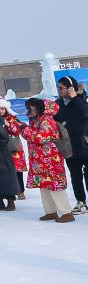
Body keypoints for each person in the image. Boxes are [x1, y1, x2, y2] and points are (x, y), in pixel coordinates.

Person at [18, 98, 76, 223]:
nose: (28, 110)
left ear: (36, 107)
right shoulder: (36, 119)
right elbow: (33, 135)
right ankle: (51, 211)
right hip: (40, 159)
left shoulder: (46, 120)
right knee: (44, 185)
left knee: (55, 185)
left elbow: (41, 138)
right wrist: (24, 129)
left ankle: (66, 212)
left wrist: (24, 129)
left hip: (50, 159)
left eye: (30, 107)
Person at [56, 76, 88, 216]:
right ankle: (81, 202)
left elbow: (86, 113)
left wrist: (75, 98)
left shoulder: (82, 100)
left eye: (61, 88)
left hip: (84, 144)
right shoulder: (59, 103)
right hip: (69, 146)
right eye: (58, 87)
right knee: (75, 176)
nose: (59, 90)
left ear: (71, 88)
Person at [0, 100, 27, 199]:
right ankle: (10, 192)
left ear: (6, 109)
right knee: (6, 171)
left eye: (2, 109)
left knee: (17, 171)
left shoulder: (12, 118)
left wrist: (7, 124)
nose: (0, 111)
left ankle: (20, 191)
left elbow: (17, 130)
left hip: (14, 147)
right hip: (1, 147)